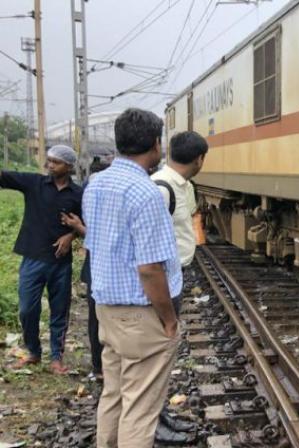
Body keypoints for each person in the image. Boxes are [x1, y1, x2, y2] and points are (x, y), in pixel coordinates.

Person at [82, 108, 182, 448]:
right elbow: (149, 269)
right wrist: (169, 320)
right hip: (140, 317)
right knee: (140, 409)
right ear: (156, 144)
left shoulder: (96, 184)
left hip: (106, 310)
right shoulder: (145, 193)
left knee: (114, 394)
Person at [0, 145, 82, 374]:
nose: (49, 165)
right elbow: (4, 176)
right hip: (33, 259)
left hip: (60, 263)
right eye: (49, 160)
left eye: (55, 162)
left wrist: (71, 235)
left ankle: (56, 357)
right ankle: (34, 352)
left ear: (69, 166)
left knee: (59, 311)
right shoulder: (34, 183)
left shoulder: (78, 194)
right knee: (27, 309)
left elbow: (83, 224)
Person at [149, 131, 207, 443]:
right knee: (158, 350)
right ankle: (152, 422)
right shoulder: (161, 188)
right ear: (199, 159)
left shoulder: (181, 186)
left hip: (176, 273)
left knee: (164, 352)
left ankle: (160, 413)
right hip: (165, 277)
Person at [61, 157, 112, 381]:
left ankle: (99, 367)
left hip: (96, 269)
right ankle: (105, 367)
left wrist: (78, 228)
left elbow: (96, 236)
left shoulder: (88, 193)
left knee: (96, 319)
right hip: (108, 270)